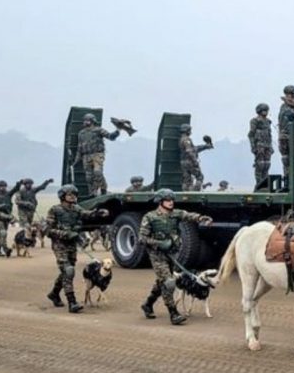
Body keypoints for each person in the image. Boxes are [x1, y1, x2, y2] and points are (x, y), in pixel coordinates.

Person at [138, 189, 212, 325]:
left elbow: (189, 216)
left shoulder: (176, 214)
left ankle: (148, 304)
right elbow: (142, 238)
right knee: (169, 282)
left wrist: (201, 218)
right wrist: (159, 243)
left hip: (171, 253)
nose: (171, 202)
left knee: (162, 281)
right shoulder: (150, 217)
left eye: (172, 200)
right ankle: (173, 313)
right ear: (160, 202)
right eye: (168, 200)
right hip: (157, 255)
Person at [44, 184, 108, 313]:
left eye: (74, 194)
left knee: (66, 271)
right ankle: (72, 302)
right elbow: (48, 231)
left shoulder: (76, 209)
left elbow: (86, 214)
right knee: (68, 271)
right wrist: (65, 234)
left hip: (71, 244)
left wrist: (98, 213)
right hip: (59, 244)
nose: (73, 197)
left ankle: (54, 293)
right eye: (70, 194)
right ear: (62, 196)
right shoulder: (55, 210)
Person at [76, 113, 121, 195]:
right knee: (88, 177)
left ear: (92, 121)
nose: (85, 122)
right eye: (85, 120)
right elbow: (79, 148)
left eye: (87, 120)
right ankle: (92, 193)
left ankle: (103, 189)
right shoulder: (81, 133)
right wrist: (76, 160)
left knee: (97, 172)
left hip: (97, 154)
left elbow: (110, 136)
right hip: (86, 156)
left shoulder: (99, 130)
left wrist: (117, 131)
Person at [178, 124, 213, 191]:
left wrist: (205, 146)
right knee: (200, 177)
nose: (190, 132)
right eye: (189, 130)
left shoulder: (181, 139)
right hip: (189, 162)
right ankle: (194, 193)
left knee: (186, 180)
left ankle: (186, 194)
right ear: (186, 131)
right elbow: (189, 151)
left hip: (183, 162)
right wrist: (195, 161)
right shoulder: (186, 140)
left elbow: (194, 149)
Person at [249, 103, 274, 189]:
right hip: (259, 145)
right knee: (260, 165)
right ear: (259, 111)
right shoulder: (255, 121)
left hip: (267, 145)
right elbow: (251, 134)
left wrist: (271, 146)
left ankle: (264, 183)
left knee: (267, 165)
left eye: (266, 110)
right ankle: (259, 184)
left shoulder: (268, 121)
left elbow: (270, 134)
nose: (265, 112)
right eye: (263, 110)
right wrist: (253, 146)